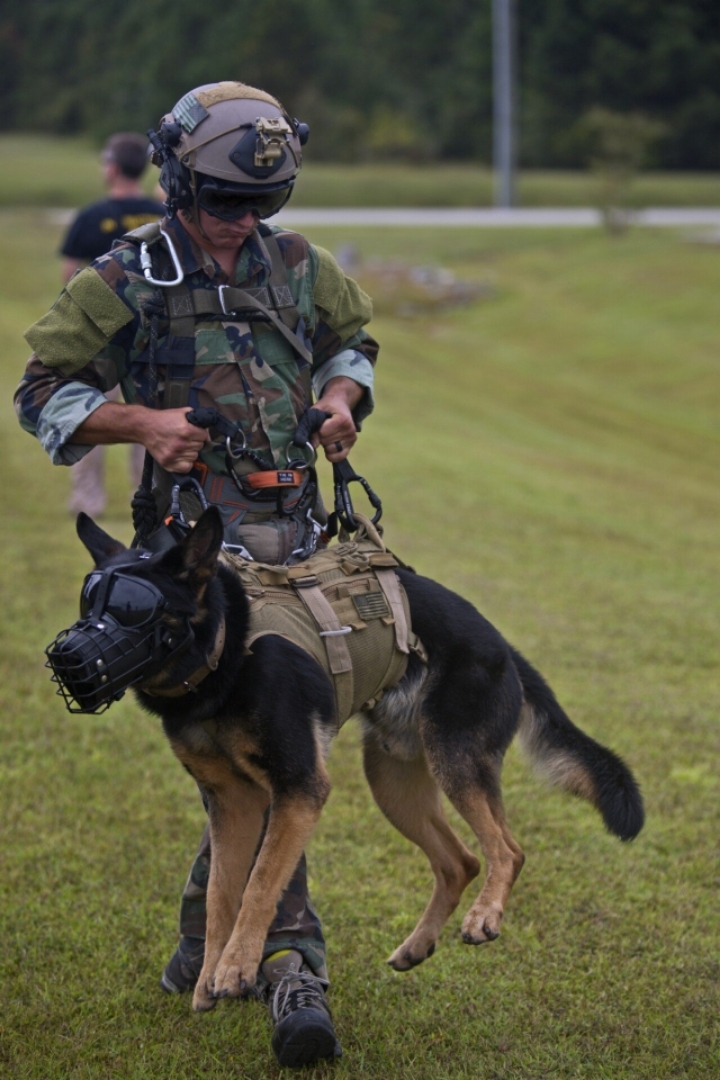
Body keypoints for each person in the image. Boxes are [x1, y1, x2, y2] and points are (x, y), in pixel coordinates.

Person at [15, 81, 378, 1068]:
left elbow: (354, 342)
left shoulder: (298, 264)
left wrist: (343, 399)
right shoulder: (128, 273)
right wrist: (141, 422)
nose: (241, 223)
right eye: (223, 201)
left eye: (262, 204)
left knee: (252, 751)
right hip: (194, 558)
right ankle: (293, 969)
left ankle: (195, 944)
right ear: (178, 183)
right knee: (278, 756)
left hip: (301, 541)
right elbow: (40, 392)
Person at [60, 133, 165, 518]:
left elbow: (70, 275)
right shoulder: (161, 215)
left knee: (90, 415)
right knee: (150, 418)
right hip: (152, 331)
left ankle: (88, 500)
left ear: (113, 167)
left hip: (100, 332)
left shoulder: (91, 216)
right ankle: (151, 495)